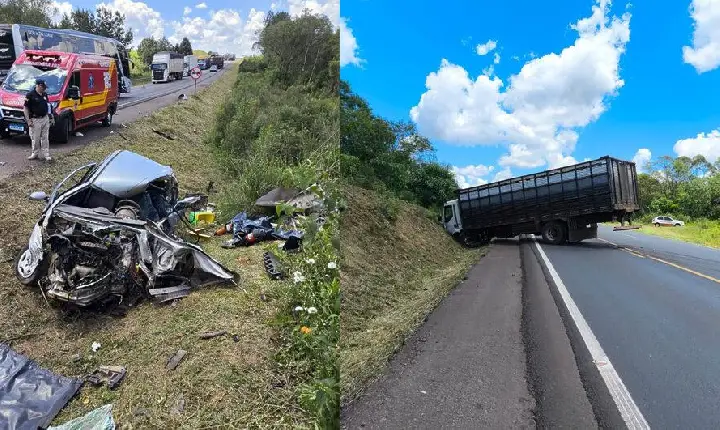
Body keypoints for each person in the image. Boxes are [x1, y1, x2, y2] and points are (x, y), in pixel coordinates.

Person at [24, 78, 55, 161]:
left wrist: (51, 116)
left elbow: (48, 106)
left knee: (45, 137)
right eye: (42, 87)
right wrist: (28, 120)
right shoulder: (30, 95)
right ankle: (35, 153)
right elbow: (26, 108)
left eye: (44, 87)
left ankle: (46, 153)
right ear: (37, 86)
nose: (44, 88)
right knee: (35, 138)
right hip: (35, 119)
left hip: (45, 118)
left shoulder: (44, 94)